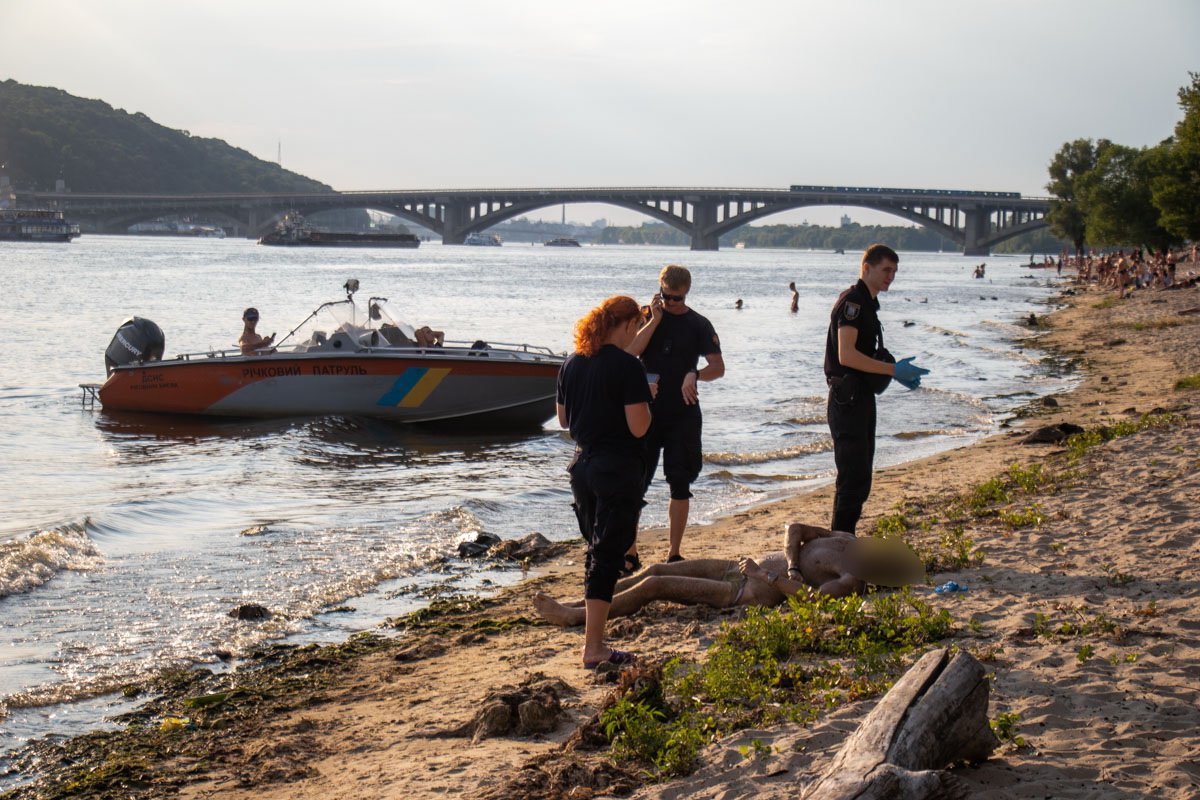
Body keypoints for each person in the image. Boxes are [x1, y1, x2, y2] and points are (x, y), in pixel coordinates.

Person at [531, 522, 924, 624]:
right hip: (741, 567)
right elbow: (794, 529)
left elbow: (808, 602)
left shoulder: (851, 581)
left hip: (745, 592)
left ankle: (575, 617)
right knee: (656, 566)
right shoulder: (845, 540)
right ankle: (581, 603)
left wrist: (767, 578)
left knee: (655, 585)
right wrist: (788, 564)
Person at [557, 295, 654, 669]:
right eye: (638, 326)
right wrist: (649, 400)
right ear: (628, 324)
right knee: (606, 557)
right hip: (617, 468)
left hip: (582, 467)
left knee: (597, 553)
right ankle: (593, 648)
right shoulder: (628, 366)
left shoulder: (571, 362)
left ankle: (593, 641)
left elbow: (564, 420)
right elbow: (638, 426)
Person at [825, 244, 928, 535]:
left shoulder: (869, 303)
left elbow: (861, 356)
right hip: (847, 399)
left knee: (861, 479)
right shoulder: (853, 303)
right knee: (852, 479)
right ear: (866, 268)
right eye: (886, 270)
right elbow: (846, 356)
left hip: (861, 397)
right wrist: (893, 370)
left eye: (894, 271)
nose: (891, 276)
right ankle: (840, 543)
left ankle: (843, 539)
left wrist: (892, 372)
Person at [627, 265, 725, 564]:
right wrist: (654, 321)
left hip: (683, 412)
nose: (670, 304)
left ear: (687, 293)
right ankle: (629, 551)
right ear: (659, 289)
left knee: (680, 481)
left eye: (677, 299)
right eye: (666, 297)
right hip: (647, 410)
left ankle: (674, 552)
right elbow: (629, 353)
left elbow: (718, 368)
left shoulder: (699, 325)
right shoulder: (646, 317)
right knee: (635, 481)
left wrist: (695, 374)